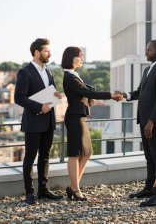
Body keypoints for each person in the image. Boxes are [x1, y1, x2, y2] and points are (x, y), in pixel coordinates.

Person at [61, 46, 122, 201]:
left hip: (80, 116)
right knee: (75, 153)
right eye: (79, 56)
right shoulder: (69, 76)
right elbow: (87, 92)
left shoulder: (74, 75)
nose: (82, 59)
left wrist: (88, 101)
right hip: (75, 118)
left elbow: (82, 95)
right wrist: (110, 94)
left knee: (87, 153)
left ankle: (73, 186)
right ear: (71, 58)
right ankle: (75, 188)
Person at [120, 40, 156, 207]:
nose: (146, 52)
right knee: (149, 157)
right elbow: (139, 92)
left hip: (153, 122)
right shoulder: (147, 69)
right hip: (143, 120)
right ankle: (149, 188)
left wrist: (151, 121)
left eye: (149, 50)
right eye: (146, 49)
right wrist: (125, 95)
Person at [14, 38, 64, 205]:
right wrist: (39, 107)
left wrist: (56, 95)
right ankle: (29, 193)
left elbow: (50, 92)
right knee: (30, 157)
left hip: (49, 120)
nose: (50, 53)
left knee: (45, 156)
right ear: (37, 52)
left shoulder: (48, 71)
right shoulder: (24, 72)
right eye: (46, 51)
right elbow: (18, 98)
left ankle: (43, 190)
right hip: (34, 121)